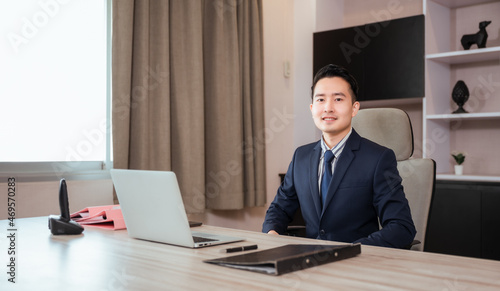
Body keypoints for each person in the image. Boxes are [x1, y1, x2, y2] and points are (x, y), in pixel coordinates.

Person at [262, 64, 416, 248]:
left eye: (338, 99)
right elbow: (279, 209)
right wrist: (272, 234)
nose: (328, 108)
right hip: (309, 263)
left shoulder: (378, 159)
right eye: (320, 100)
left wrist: (350, 251)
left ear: (354, 108)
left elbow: (401, 227)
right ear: (312, 108)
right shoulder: (300, 157)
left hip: (356, 264)